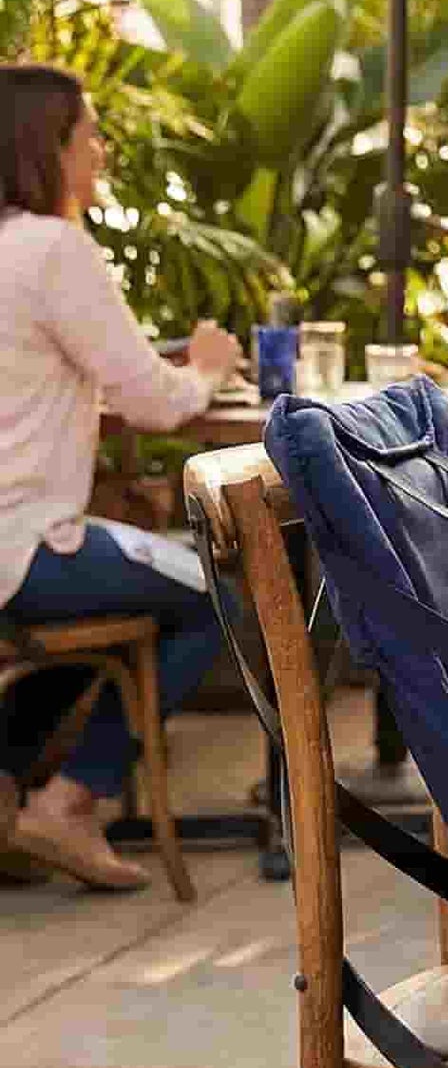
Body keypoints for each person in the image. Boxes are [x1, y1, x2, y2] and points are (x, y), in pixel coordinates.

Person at [0, 64, 241, 889]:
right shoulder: (52, 246)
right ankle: (68, 804)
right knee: (223, 594)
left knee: (109, 601)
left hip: (18, 548)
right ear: (45, 146)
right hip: (24, 545)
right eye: (89, 134)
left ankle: (8, 793)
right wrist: (206, 367)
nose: (100, 151)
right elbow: (156, 407)